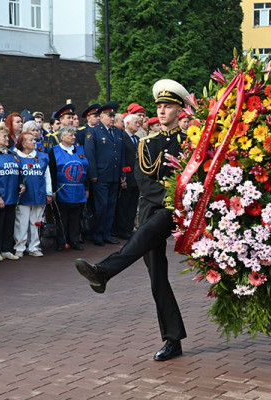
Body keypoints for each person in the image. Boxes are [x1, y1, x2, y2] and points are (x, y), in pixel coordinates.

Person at [75, 79, 189, 362]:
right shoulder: (147, 143)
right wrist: (167, 195)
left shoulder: (190, 142)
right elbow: (143, 181)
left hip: (176, 211)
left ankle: (104, 272)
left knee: (145, 239)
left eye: (168, 106)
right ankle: (172, 339)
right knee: (157, 277)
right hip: (153, 208)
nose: (161, 111)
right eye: (159, 106)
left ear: (179, 109)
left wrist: (174, 199)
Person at [84, 102, 126, 246]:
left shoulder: (117, 132)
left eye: (114, 115)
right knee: (101, 206)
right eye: (110, 115)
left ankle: (107, 233)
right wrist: (93, 174)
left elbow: (121, 154)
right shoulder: (94, 132)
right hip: (101, 175)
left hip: (114, 175)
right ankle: (98, 234)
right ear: (101, 116)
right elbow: (90, 154)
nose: (112, 118)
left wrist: (122, 174)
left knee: (111, 206)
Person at [0, 125, 24, 261]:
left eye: (7, 136)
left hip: (11, 195)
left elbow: (18, 171)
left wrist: (21, 183)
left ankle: (7, 249)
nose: (8, 139)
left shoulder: (11, 153)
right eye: (4, 136)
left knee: (9, 224)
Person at [48, 126, 88, 251]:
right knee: (62, 217)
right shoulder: (53, 151)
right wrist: (52, 190)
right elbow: (52, 173)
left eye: (74, 135)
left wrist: (87, 188)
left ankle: (75, 240)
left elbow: (86, 170)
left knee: (76, 217)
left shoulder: (80, 150)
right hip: (62, 190)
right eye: (71, 135)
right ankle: (62, 241)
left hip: (78, 190)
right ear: (62, 137)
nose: (74, 137)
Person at [14, 131, 52, 257]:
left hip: (39, 194)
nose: (34, 142)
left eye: (34, 140)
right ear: (23, 143)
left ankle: (34, 246)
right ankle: (20, 247)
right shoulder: (15, 157)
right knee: (22, 222)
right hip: (24, 196)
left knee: (35, 222)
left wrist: (49, 192)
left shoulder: (43, 157)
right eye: (30, 140)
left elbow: (47, 176)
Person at [113, 113, 141, 240]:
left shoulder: (138, 139)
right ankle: (122, 229)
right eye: (135, 122)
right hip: (127, 176)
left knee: (132, 204)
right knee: (124, 204)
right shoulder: (122, 138)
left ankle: (129, 228)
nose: (138, 124)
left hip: (136, 177)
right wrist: (122, 175)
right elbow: (121, 157)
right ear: (127, 123)